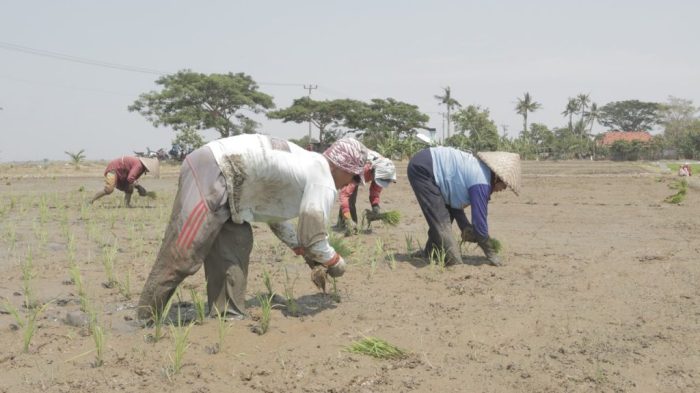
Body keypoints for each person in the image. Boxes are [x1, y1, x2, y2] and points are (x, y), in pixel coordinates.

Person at [137, 135, 368, 321]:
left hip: (233, 193)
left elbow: (275, 219)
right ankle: (144, 317)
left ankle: (226, 316)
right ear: (342, 166)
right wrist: (336, 262)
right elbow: (314, 237)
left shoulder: (306, 166)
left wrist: (299, 248)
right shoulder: (322, 177)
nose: (352, 183)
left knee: (239, 238)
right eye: (354, 177)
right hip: (215, 168)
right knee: (182, 255)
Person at [407, 147, 521, 266]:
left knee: (444, 215)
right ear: (497, 177)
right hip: (424, 168)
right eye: (505, 184)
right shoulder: (481, 182)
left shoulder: (480, 174)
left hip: (432, 166)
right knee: (441, 220)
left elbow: (453, 202)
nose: (504, 189)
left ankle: (430, 253)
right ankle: (454, 262)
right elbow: (479, 222)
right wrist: (490, 252)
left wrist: (465, 226)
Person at [335, 149, 397, 235]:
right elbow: (344, 195)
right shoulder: (362, 169)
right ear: (373, 172)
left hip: (362, 167)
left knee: (349, 199)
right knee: (349, 198)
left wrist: (375, 206)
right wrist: (348, 219)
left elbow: (375, 190)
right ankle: (349, 224)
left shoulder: (383, 169)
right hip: (348, 166)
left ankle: (344, 224)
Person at [90, 156, 159, 207]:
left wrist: (140, 189)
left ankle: (127, 205)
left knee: (130, 187)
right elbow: (130, 178)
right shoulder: (139, 166)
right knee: (109, 189)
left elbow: (132, 179)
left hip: (122, 173)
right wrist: (139, 187)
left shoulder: (142, 167)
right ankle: (90, 201)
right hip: (114, 169)